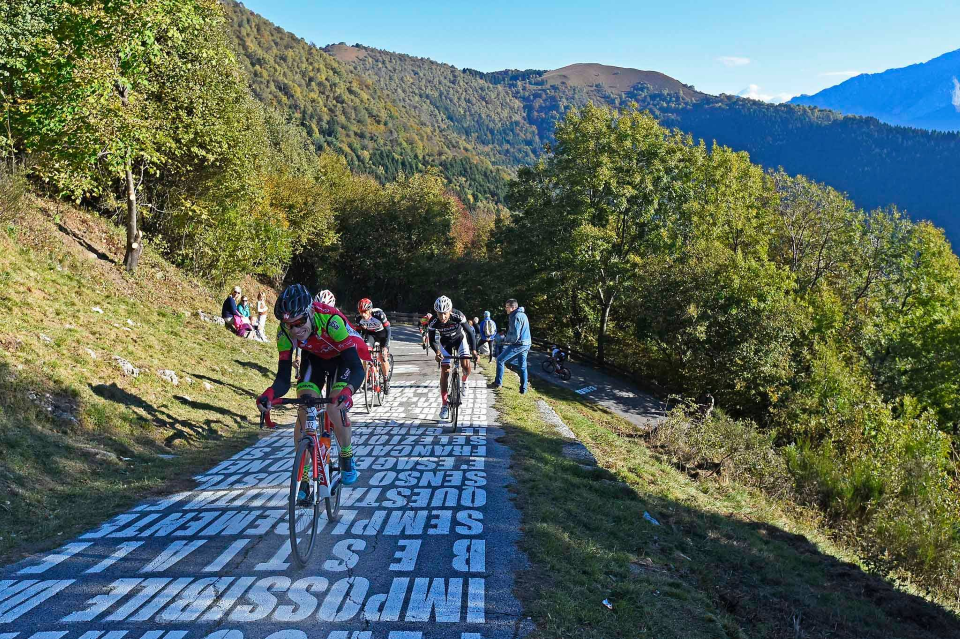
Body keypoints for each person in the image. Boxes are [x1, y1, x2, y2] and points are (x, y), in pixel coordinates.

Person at [257, 284, 369, 492]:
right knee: (305, 404)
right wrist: (269, 395)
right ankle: (304, 473)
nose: (296, 330)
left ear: (310, 311)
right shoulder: (284, 333)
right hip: (314, 359)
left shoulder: (331, 321)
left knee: (335, 406)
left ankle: (346, 454)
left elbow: (356, 368)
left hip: (341, 359)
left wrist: (348, 392)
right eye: (289, 325)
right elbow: (283, 378)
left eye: (299, 322)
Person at [427, 295, 477, 421]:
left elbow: (470, 333)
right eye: (439, 314)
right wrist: (437, 351)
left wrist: (475, 351)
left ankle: (465, 382)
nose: (442, 317)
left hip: (460, 339)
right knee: (444, 372)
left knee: (465, 365)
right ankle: (444, 405)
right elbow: (432, 339)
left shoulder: (458, 315)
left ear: (450, 310)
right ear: (436, 312)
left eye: (445, 313)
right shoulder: (433, 321)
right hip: (445, 343)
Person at [491, 299, 532, 394]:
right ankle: (523, 389)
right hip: (526, 343)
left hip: (519, 344)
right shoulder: (522, 314)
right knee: (522, 366)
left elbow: (515, 335)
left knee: (500, 359)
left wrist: (505, 340)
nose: (506, 309)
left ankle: (498, 383)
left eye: (507, 307)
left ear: (513, 307)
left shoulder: (516, 316)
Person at [355, 298, 392, 395]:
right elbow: (357, 333)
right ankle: (367, 376)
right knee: (364, 353)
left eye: (365, 311)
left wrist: (385, 347)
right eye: (361, 311)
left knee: (382, 357)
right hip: (371, 334)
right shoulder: (358, 318)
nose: (363, 314)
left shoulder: (379, 314)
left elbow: (388, 329)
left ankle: (385, 380)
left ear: (370, 310)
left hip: (383, 334)